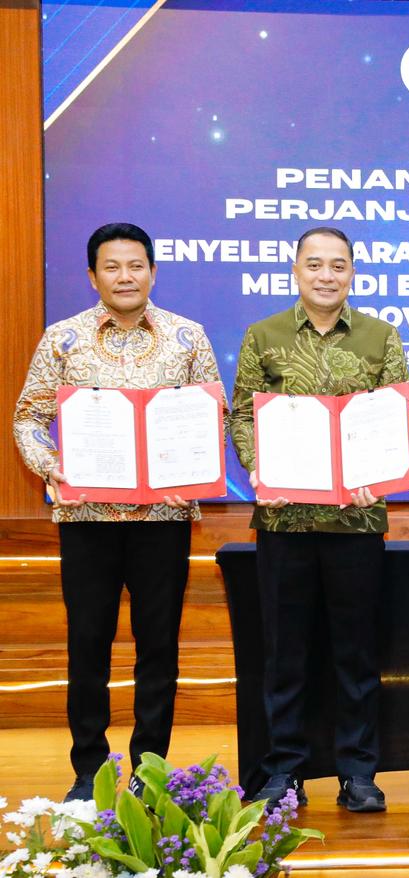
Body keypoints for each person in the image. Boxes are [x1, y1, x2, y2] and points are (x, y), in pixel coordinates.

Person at [13, 222, 220, 801]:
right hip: (87, 520)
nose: (125, 276)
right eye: (112, 266)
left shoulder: (188, 337)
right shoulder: (63, 339)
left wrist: (191, 475)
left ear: (152, 272)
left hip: (162, 520)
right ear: (92, 276)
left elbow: (212, 416)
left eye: (135, 265)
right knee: (88, 643)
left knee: (159, 647)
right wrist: (50, 465)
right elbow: (28, 417)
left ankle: (149, 769)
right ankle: (90, 771)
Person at [228, 226, 408, 813]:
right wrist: (258, 469)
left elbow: (392, 417)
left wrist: (380, 474)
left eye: (337, 265)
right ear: (296, 270)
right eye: (314, 264)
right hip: (284, 525)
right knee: (285, 657)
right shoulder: (264, 335)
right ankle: (284, 771)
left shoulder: (381, 336)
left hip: (357, 525)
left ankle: (359, 773)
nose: (326, 275)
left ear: (351, 272)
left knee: (356, 656)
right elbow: (242, 416)